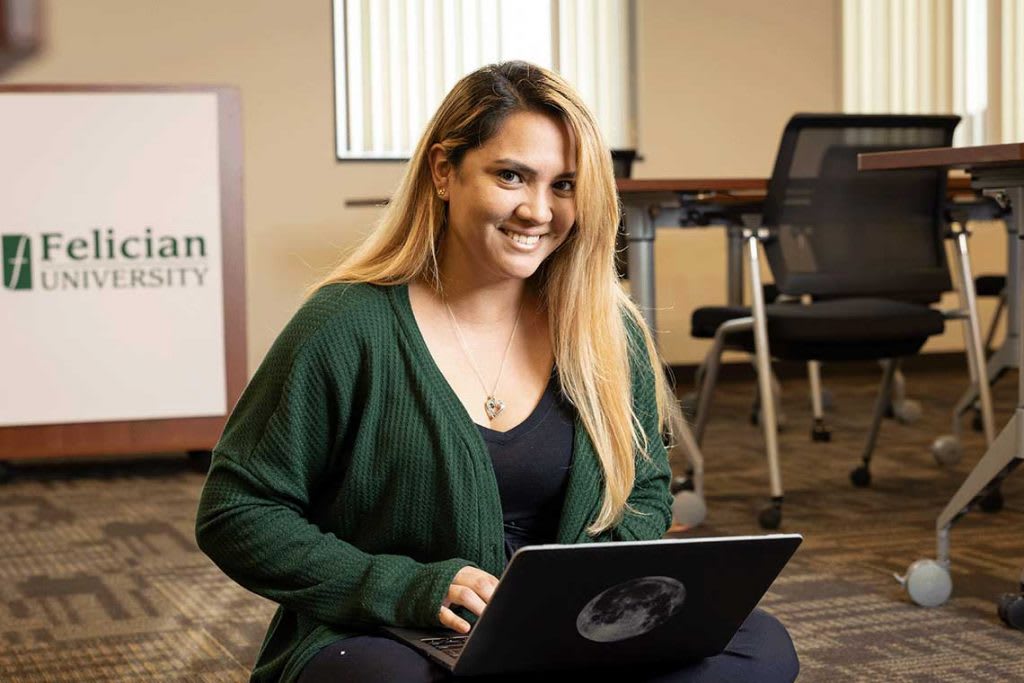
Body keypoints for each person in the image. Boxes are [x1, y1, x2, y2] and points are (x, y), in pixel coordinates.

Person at [195, 61, 799, 682]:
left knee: (760, 648)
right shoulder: (347, 324)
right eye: (511, 176)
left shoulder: (605, 330)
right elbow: (238, 512)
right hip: (400, 631)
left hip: (571, 630)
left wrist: (586, 597)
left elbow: (644, 491)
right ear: (443, 172)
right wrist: (406, 587)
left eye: (564, 185)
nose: (538, 211)